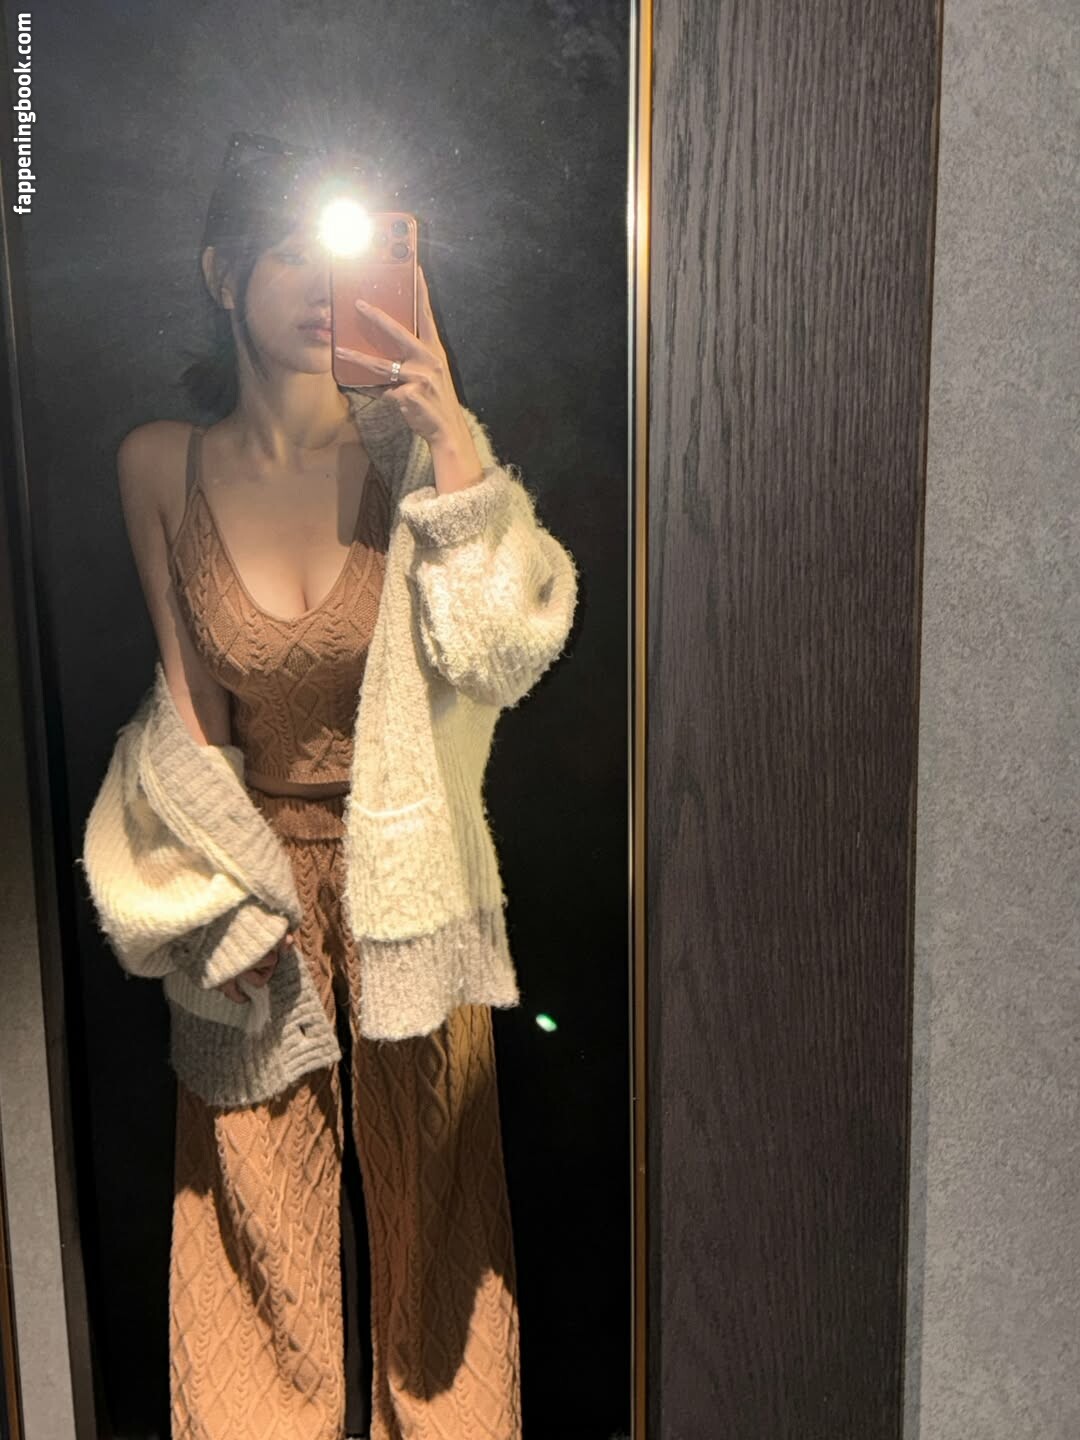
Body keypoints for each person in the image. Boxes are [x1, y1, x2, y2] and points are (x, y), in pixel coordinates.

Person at [113, 132, 576, 1440]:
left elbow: (503, 657)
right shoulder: (162, 464)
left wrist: (451, 438)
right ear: (222, 273)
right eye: (287, 253)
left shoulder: (412, 452)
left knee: (442, 1222)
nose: (321, 285)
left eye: (344, 256)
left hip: (410, 880)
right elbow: (191, 722)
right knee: (253, 1228)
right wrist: (219, 912)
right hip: (256, 889)